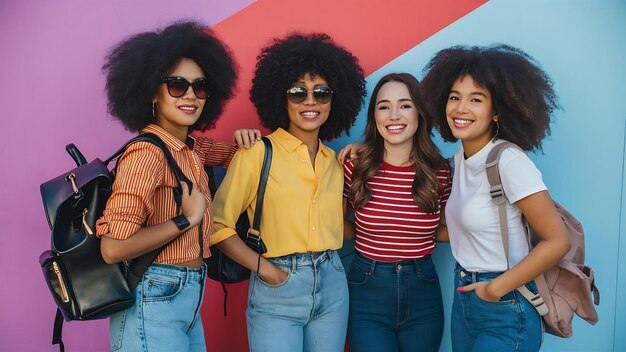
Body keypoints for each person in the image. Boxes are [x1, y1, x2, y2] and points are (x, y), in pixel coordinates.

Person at [95, 21, 260, 352]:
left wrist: (248, 140)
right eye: (176, 85)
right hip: (154, 297)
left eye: (199, 87)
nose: (190, 95)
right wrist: (185, 219)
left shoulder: (192, 149)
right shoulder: (146, 154)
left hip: (187, 297)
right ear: (152, 92)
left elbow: (245, 160)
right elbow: (112, 248)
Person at [211, 33, 366, 351]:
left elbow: (341, 225)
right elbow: (216, 224)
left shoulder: (335, 163)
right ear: (281, 98)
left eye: (321, 92)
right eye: (299, 92)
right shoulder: (256, 153)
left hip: (333, 280)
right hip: (277, 284)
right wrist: (266, 270)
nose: (311, 101)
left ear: (334, 100)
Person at [421, 44, 571, 351]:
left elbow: (557, 241)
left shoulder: (509, 161)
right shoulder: (459, 160)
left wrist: (495, 289)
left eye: (476, 99)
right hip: (465, 300)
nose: (461, 108)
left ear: (497, 110)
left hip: (507, 303)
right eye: (454, 97)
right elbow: (465, 229)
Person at [342, 73, 451, 352]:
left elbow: (446, 230)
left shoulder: (441, 172)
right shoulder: (354, 167)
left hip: (423, 290)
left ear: (419, 113)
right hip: (367, 289)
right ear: (374, 116)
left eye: (404, 105)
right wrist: (373, 235)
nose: (394, 115)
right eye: (383, 106)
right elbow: (336, 225)